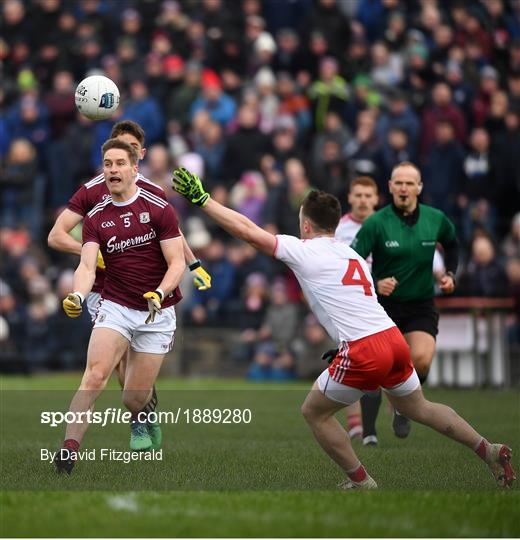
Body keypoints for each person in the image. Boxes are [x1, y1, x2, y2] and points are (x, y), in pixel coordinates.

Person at [170, 166, 515, 490]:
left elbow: (248, 231)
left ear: (305, 224)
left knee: (314, 412)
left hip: (365, 348)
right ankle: (488, 449)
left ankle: (362, 481)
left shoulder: (304, 251)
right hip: (391, 338)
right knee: (418, 406)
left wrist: (204, 201)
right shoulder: (352, 256)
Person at [47, 120, 211, 450]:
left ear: (139, 157)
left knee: (131, 386)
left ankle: (140, 412)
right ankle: (75, 447)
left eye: (128, 154)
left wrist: (194, 264)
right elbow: (56, 236)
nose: (117, 165)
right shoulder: (92, 194)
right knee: (104, 369)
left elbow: (173, 236)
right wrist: (93, 260)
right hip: (104, 291)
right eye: (112, 157)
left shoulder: (154, 194)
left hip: (151, 293)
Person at [350, 161, 459, 443]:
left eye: (410, 183)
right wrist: (375, 282)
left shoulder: (435, 218)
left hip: (421, 303)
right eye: (398, 182)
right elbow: (351, 262)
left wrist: (449, 274)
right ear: (390, 187)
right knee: (377, 367)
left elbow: (453, 242)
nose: (403, 188)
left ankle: (403, 408)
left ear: (419, 188)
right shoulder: (376, 223)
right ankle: (370, 432)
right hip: (383, 308)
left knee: (421, 361)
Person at [335, 176, 379, 440]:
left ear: (376, 199)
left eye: (367, 195)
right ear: (350, 198)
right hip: (350, 305)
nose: (363, 200)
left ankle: (400, 411)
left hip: (387, 301)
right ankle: (356, 422)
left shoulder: (388, 225)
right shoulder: (339, 230)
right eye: (358, 195)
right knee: (351, 359)